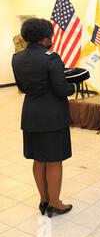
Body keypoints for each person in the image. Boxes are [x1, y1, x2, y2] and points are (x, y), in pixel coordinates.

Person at [12, 18, 76, 218]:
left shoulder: (17, 57)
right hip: (52, 115)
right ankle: (56, 203)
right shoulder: (51, 58)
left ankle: (44, 199)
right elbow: (61, 89)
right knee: (54, 160)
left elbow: (22, 88)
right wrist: (73, 85)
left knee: (39, 159)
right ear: (46, 37)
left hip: (31, 114)